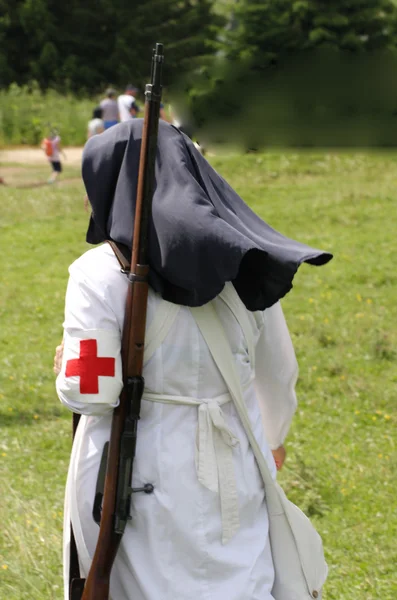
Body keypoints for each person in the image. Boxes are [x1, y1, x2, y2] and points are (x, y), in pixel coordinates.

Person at [55, 120, 332, 600]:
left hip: (134, 469)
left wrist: (65, 367)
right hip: (234, 454)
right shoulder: (247, 258)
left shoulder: (97, 273)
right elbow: (279, 370)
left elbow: (90, 393)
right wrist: (272, 437)